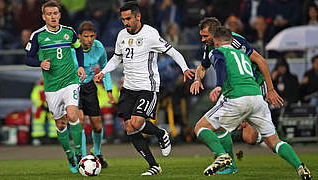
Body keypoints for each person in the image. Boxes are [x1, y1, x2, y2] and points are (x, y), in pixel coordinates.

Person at [191, 26, 312, 179]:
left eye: (206, 37)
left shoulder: (217, 51)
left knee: (200, 128)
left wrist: (219, 85)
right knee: (273, 141)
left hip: (236, 97)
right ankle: (301, 167)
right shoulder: (243, 54)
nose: (204, 40)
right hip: (256, 97)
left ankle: (222, 156)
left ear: (215, 41)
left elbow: (220, 63)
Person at [94, 1, 195, 176]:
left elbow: (173, 52)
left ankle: (161, 133)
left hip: (147, 87)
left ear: (138, 17)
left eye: (128, 19)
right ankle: (154, 166)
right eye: (123, 19)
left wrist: (185, 68)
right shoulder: (121, 35)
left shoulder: (150, 35)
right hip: (128, 88)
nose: (125, 23)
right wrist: (103, 72)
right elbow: (117, 58)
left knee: (136, 123)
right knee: (129, 128)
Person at [24, 0, 86, 174]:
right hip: (52, 86)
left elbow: (78, 48)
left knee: (73, 114)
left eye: (55, 13)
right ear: (44, 17)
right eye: (49, 14)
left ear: (60, 15)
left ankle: (80, 154)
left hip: (70, 81)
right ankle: (70, 156)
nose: (53, 16)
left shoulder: (69, 32)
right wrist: (40, 63)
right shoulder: (38, 36)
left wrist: (80, 66)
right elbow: (27, 58)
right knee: (60, 124)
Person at [72, 20, 115, 168]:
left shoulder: (99, 47)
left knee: (97, 126)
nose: (89, 40)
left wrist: (109, 90)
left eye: (92, 36)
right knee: (81, 121)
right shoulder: (72, 49)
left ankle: (97, 152)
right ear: (79, 36)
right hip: (74, 87)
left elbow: (105, 68)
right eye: (86, 36)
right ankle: (83, 158)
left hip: (89, 87)